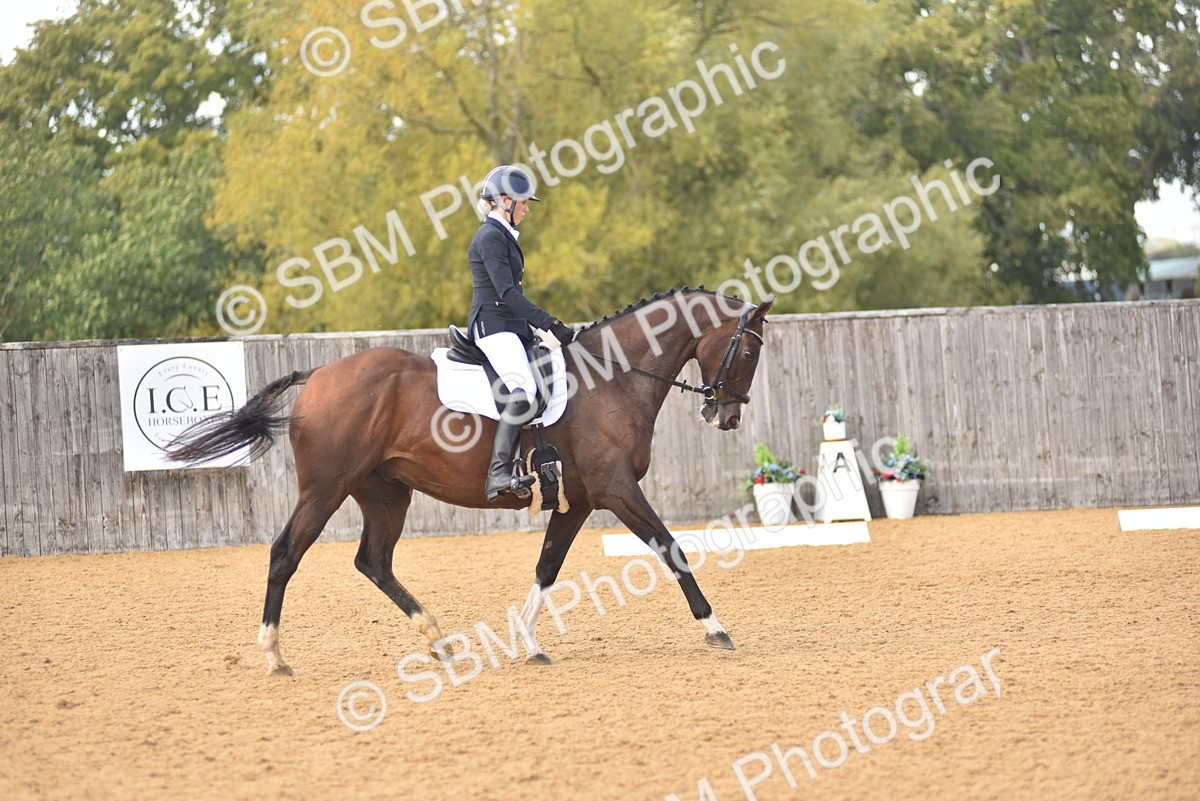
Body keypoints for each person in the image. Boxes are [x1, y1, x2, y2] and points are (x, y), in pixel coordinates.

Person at [468, 165, 576, 501]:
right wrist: (549, 322)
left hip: (513, 328)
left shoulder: (504, 236)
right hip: (493, 326)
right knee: (522, 387)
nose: (527, 208)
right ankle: (497, 473)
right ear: (504, 201)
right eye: (523, 202)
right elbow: (507, 293)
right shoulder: (489, 237)